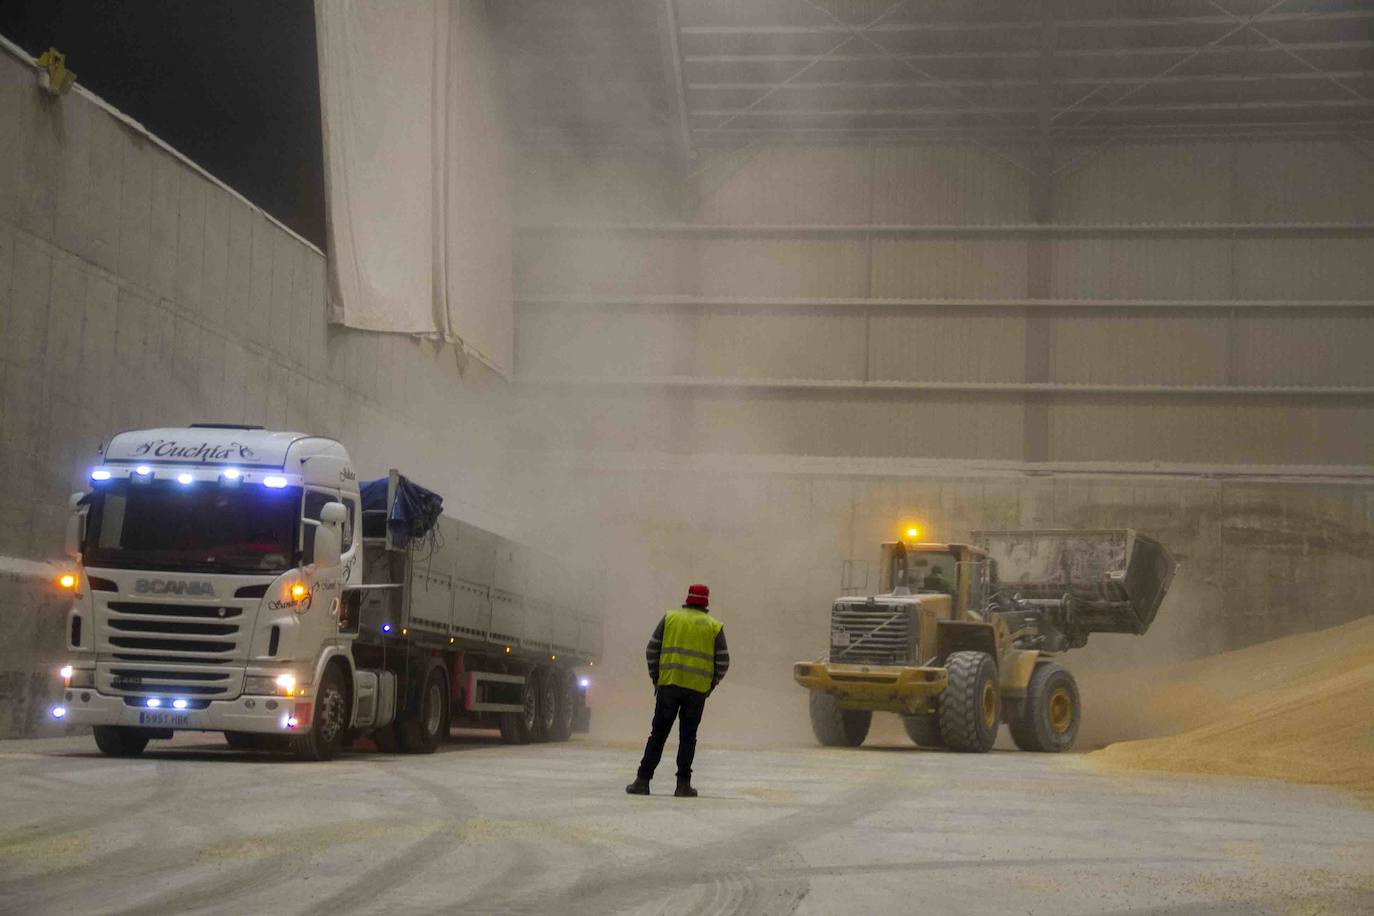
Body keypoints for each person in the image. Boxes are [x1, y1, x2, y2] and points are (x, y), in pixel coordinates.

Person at [626, 584, 729, 798]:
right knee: (688, 738)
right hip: (696, 691)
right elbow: (724, 661)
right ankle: (683, 785)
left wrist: (657, 677)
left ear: (687, 600)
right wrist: (710, 685)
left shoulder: (670, 618)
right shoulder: (714, 627)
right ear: (706, 603)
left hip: (669, 686)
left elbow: (651, 649)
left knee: (658, 735)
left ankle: (642, 780)